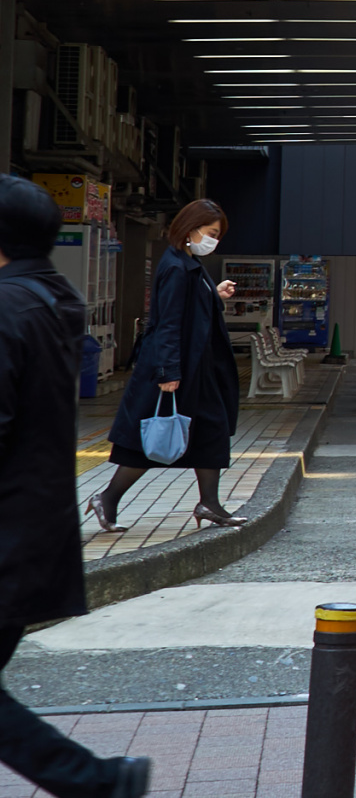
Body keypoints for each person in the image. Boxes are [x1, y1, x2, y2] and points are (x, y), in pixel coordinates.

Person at [0, 175, 152, 798]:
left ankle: (100, 782)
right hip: (33, 525)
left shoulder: (10, 305)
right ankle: (99, 782)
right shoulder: (51, 294)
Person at [93, 199, 244, 533]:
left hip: (196, 368)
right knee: (152, 439)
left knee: (209, 432)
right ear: (190, 229)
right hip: (179, 369)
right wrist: (169, 373)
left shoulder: (188, 262)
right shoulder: (177, 267)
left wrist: (214, 294)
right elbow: (169, 323)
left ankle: (209, 503)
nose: (214, 240)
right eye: (211, 232)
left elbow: (188, 309)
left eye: (217, 235)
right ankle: (109, 498)